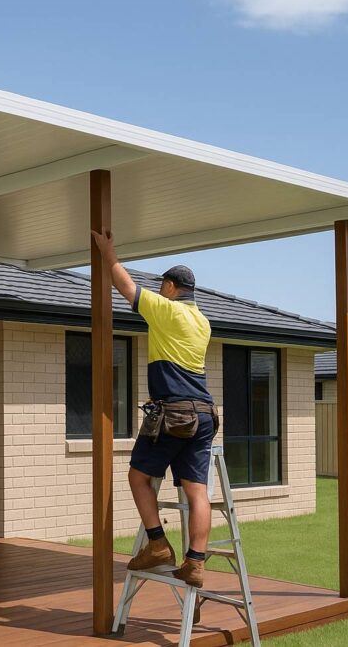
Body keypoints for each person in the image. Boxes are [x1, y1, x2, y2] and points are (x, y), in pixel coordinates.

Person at [91, 229, 217, 588]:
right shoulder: (203, 321)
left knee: (138, 476)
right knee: (197, 491)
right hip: (204, 412)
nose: (160, 290)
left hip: (174, 413)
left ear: (172, 287)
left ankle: (158, 545)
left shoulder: (167, 311)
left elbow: (126, 287)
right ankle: (195, 562)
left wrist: (108, 253)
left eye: (163, 285)